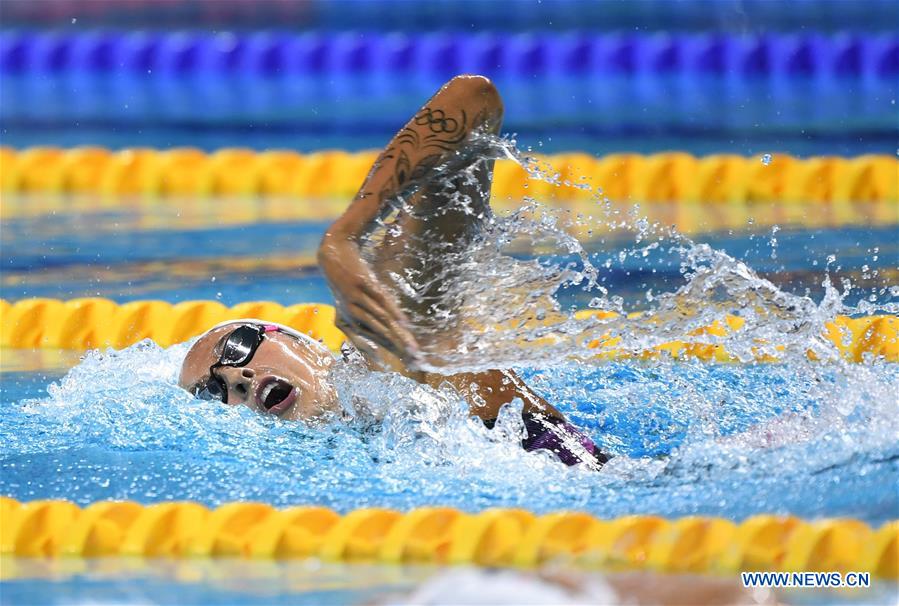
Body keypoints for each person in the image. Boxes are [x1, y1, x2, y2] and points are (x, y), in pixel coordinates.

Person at [179, 75, 608, 467]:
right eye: (212, 393)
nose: (236, 376)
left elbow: (473, 100)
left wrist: (345, 236)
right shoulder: (346, 452)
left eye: (238, 347)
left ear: (303, 345)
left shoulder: (392, 344)